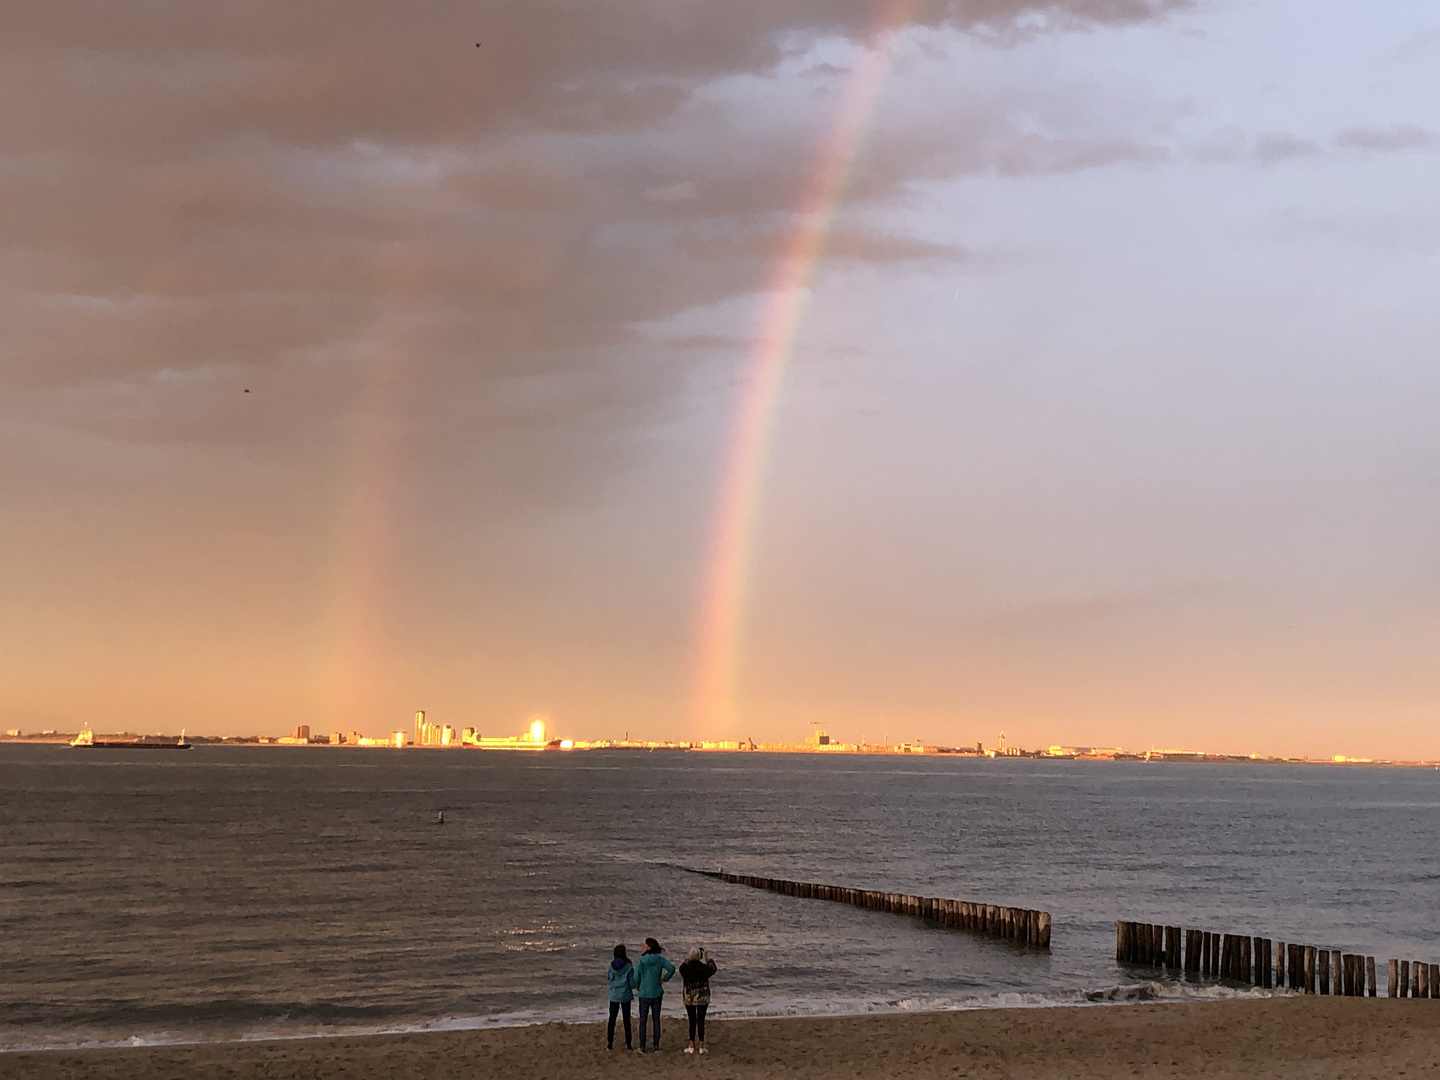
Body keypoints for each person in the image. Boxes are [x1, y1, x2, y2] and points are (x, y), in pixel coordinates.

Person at [630, 937, 675, 1052]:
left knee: (643, 1020)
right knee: (656, 1019)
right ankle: (656, 1045)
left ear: (649, 947)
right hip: (656, 992)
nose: (643, 946)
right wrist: (664, 979)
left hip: (644, 993)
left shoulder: (641, 960)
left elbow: (636, 977)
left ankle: (642, 1045)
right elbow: (671, 968)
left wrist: (637, 986)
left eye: (645, 945)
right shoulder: (659, 959)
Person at [678, 946, 718, 1054]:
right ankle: (701, 1045)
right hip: (702, 997)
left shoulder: (685, 968)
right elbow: (713, 968)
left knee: (692, 1020)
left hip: (689, 997)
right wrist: (707, 958)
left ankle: (691, 1044)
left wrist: (689, 959)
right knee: (701, 1020)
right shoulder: (704, 968)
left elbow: (681, 967)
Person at [605, 944, 635, 1050]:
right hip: (625, 995)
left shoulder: (611, 966)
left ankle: (610, 1043)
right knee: (626, 1020)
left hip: (614, 995)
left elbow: (608, 977)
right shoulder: (628, 966)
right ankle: (629, 1044)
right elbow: (632, 982)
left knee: (612, 1019)